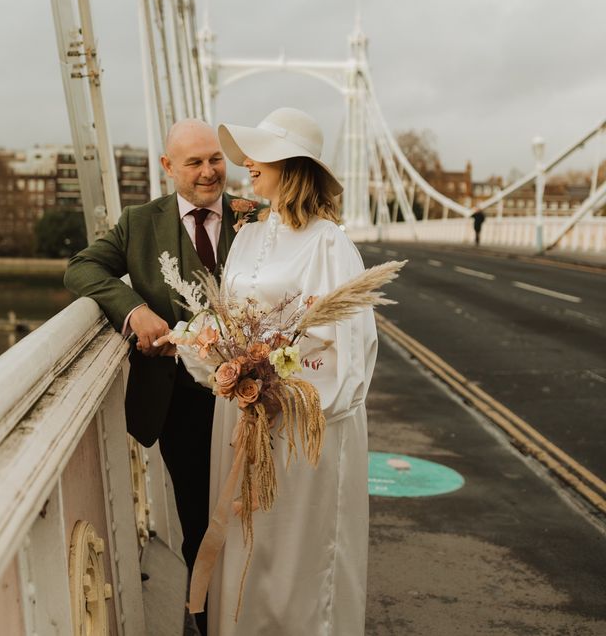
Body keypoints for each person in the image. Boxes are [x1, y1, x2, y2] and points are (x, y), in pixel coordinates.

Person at [175, 108, 378, 635]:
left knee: (297, 552)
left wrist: (284, 398)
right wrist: (210, 354)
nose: (245, 165)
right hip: (241, 418)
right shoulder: (246, 236)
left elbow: (352, 351)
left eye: (258, 155)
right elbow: (230, 318)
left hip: (302, 429)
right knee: (248, 541)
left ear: (291, 166)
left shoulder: (329, 243)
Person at [64, 119, 238, 635]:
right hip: (179, 401)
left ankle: (248, 612)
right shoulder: (140, 222)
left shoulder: (256, 217)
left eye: (215, 159)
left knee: (253, 517)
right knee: (197, 520)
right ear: (168, 168)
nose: (209, 172)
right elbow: (81, 269)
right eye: (194, 162)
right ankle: (203, 617)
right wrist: (132, 309)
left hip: (249, 398)